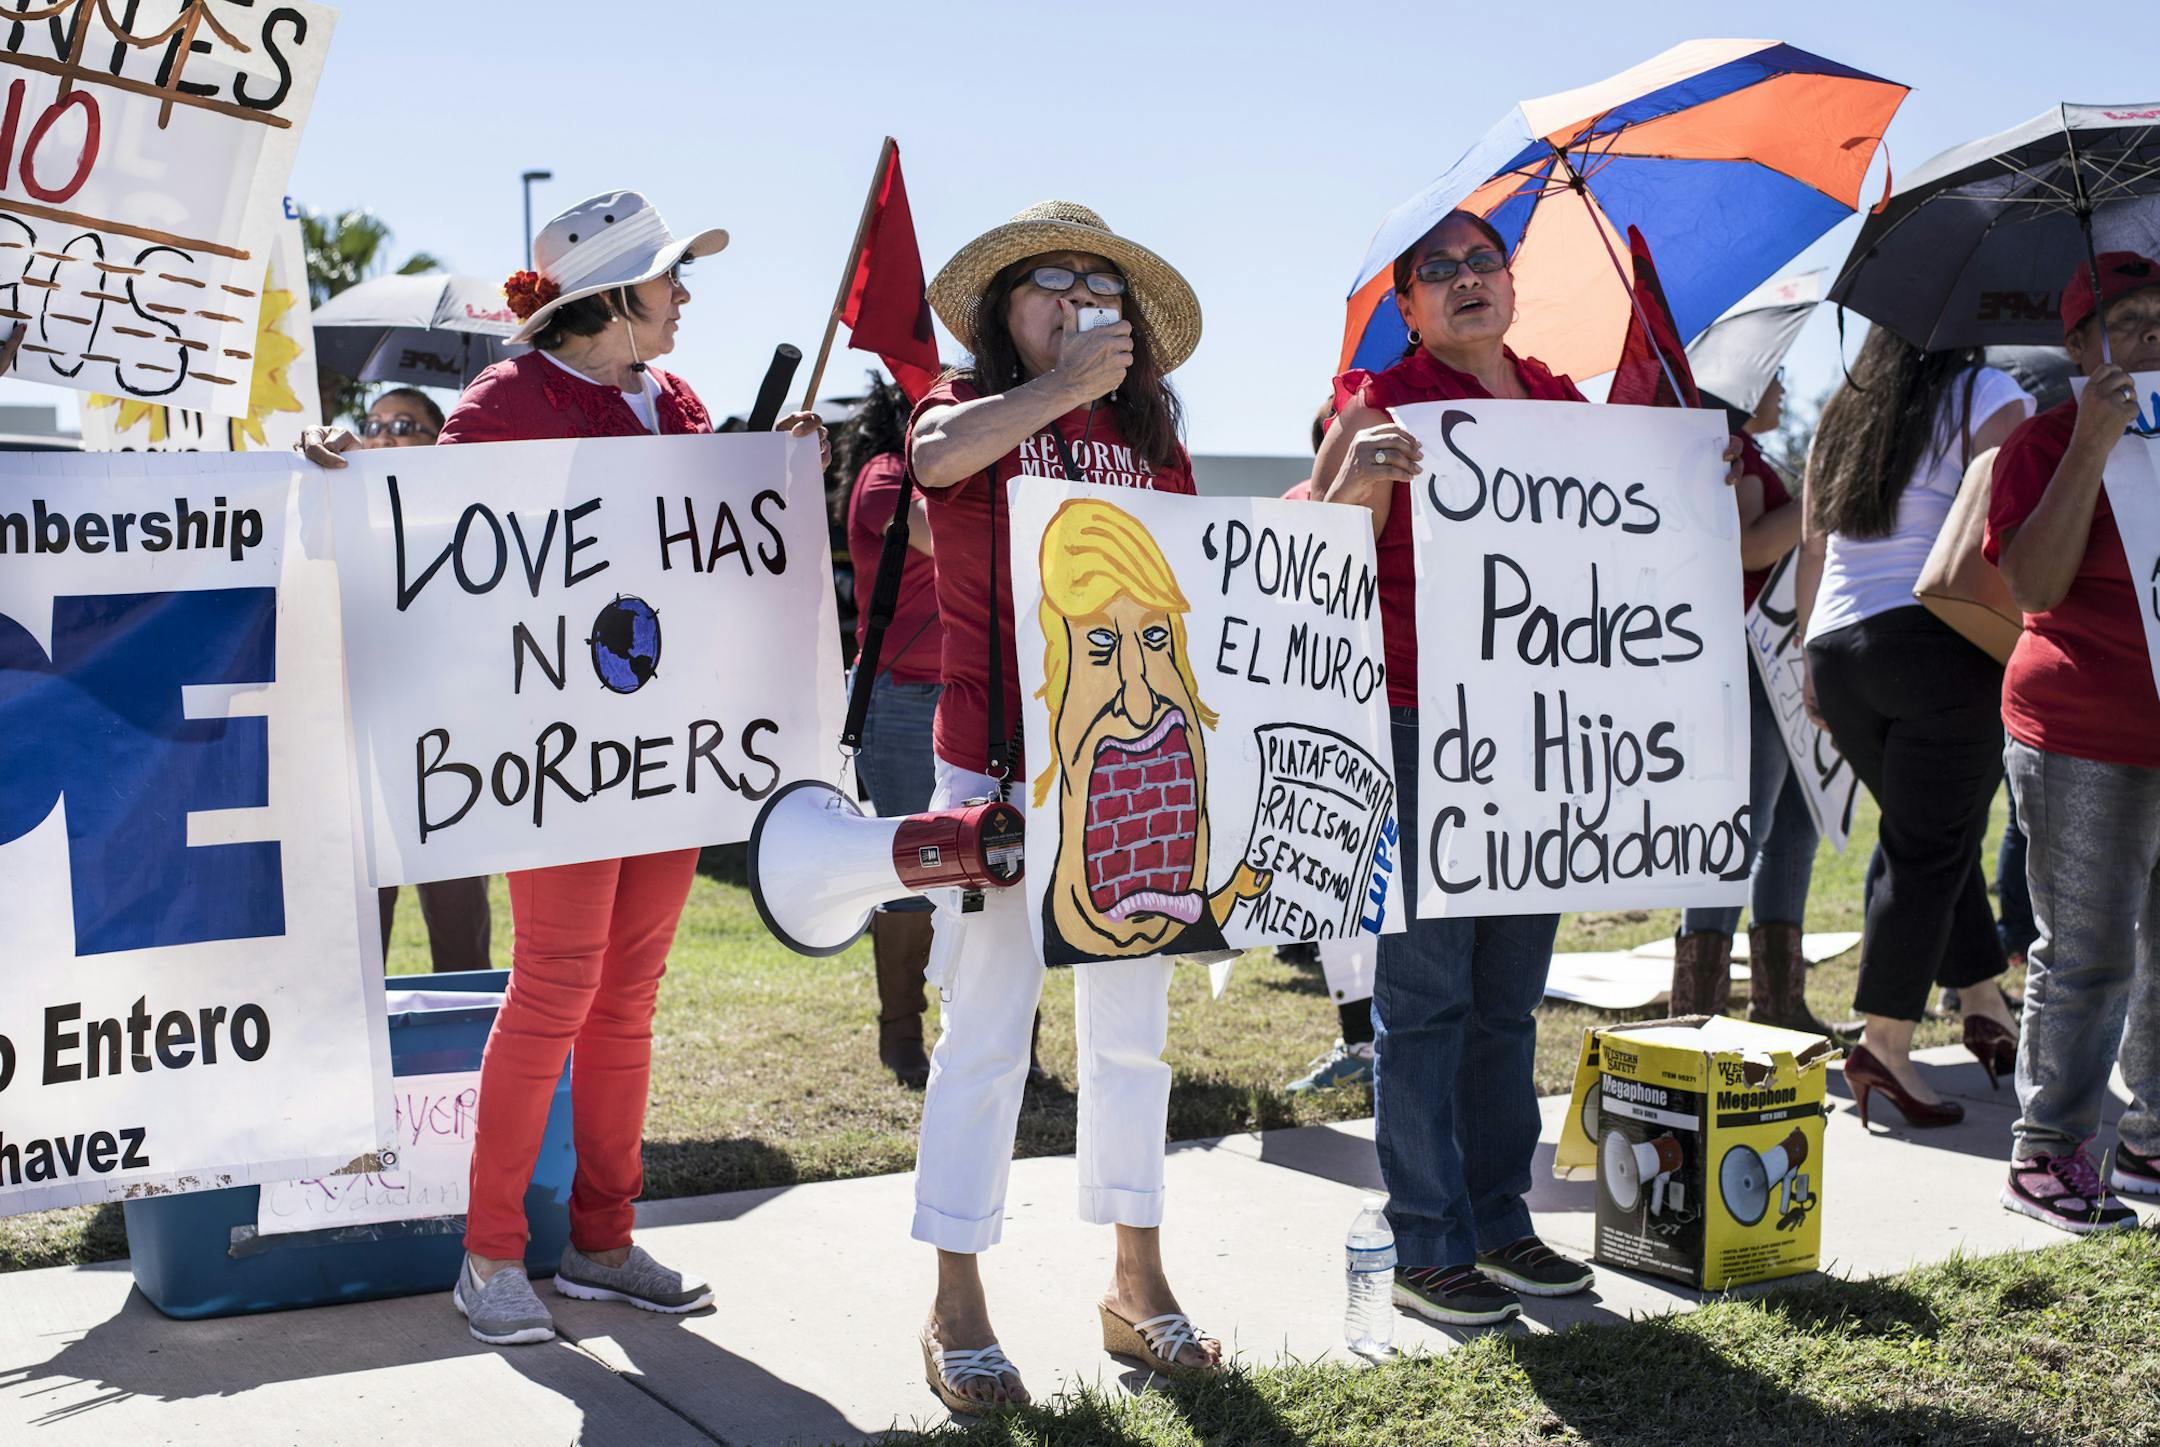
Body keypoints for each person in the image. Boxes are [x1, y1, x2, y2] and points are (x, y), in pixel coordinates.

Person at [299, 190, 827, 1345]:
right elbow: (422, 542)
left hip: (664, 749)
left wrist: (776, 470)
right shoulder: (506, 400)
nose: (685, 295)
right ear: (609, 298)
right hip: (556, 755)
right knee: (552, 988)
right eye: (669, 278)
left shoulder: (678, 399)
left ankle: (601, 1241)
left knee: (628, 995)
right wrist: (343, 479)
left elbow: (717, 544)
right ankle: (489, 1256)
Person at [905, 201, 1222, 1411]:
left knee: (1132, 1036)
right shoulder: (962, 403)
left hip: (1131, 770)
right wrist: (1061, 388)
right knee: (986, 1034)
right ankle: (956, 1299)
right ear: (1004, 311)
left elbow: (1201, 578)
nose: (1081, 295)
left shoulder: (1150, 438)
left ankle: (1138, 1283)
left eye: (1102, 282)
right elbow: (936, 464)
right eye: (1053, 279)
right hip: (996, 770)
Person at [1316, 211, 1628, 1326]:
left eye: (1480, 263)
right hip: (1410, 722)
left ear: (1511, 280)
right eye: (1434, 271)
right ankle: (1425, 1241)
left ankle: (1501, 1221)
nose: (1463, 282)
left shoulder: (1555, 403)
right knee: (1427, 997)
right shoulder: (1376, 397)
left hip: (1526, 730)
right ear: (1406, 305)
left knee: (1507, 999)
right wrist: (1360, 475)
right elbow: (1313, 544)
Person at [1796, 325, 2032, 1130]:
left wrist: (1804, 661)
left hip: (1838, 645)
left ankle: (1982, 1001)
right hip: (1940, 642)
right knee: (1926, 847)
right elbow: (2017, 521)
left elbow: (1811, 547)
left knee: (1931, 829)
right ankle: (1884, 1044)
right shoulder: (1989, 396)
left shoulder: (1839, 415)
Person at [1986, 252, 2160, 1232]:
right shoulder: (2043, 443)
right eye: (2126, 322)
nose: (2149, 338)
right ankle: (2047, 1154)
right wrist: (2093, 442)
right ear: (2078, 346)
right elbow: (2035, 586)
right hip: (2083, 727)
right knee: (2089, 950)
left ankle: (2149, 1141)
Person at [1668, 376, 1829, 1033]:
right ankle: (1698, 1011)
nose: (1786, 386)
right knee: (1741, 829)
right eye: (1773, 374)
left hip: (1783, 659)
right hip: (1744, 658)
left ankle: (1779, 1004)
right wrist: (1824, 488)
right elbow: (1750, 546)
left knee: (1798, 823)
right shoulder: (1727, 448)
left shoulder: (1755, 451)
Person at [354, 386, 493, 974]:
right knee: (359, 929)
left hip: (451, 749)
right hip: (362, 748)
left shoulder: (473, 520)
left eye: (404, 423)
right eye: (374, 422)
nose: (383, 435)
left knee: (459, 917)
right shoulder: (342, 509)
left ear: (440, 437)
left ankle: (466, 1052)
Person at [843, 374, 943, 1088]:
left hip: (975, 694)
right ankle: (901, 1038)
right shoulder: (886, 476)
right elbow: (952, 535)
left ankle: (1001, 1037)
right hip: (902, 696)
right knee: (916, 867)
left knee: (996, 869)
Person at [1280, 402, 1379, 1094]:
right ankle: (1362, 1042)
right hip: (1335, 719)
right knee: (1342, 889)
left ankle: (1375, 1042)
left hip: (1391, 710)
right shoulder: (1298, 508)